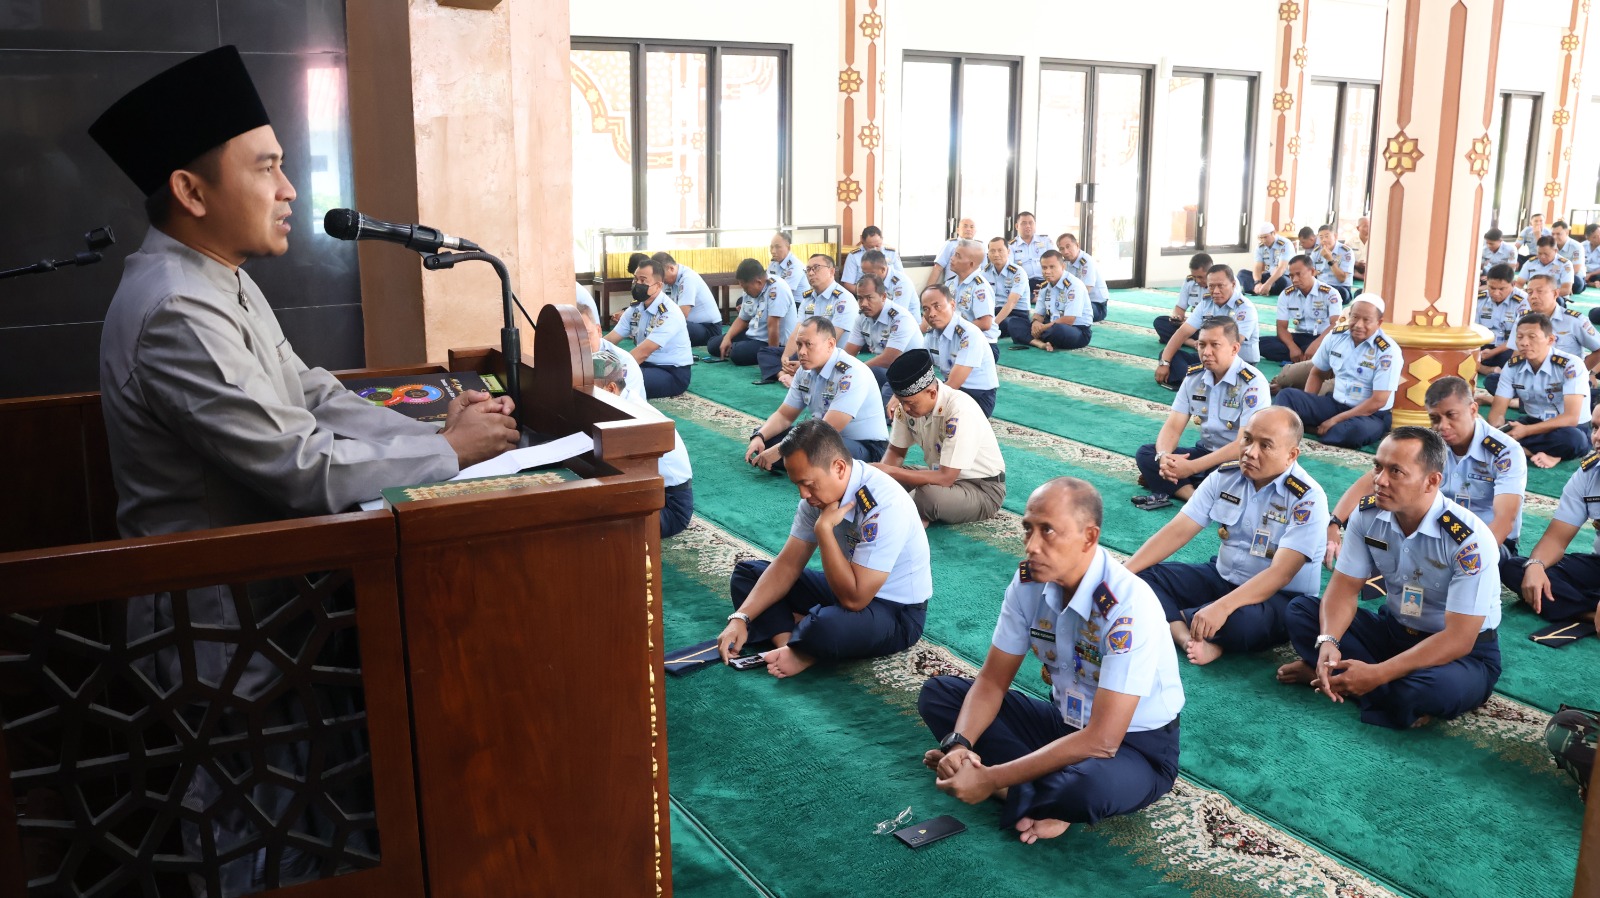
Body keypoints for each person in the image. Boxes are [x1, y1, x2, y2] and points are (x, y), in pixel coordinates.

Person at [90, 46, 520, 895]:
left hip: (272, 610)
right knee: (250, 839)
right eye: (269, 169)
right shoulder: (177, 307)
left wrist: (436, 422)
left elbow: (311, 393)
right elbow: (297, 468)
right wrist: (446, 451)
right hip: (214, 631)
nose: (291, 191)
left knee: (308, 818)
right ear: (190, 191)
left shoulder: (217, 278)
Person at [916, 478, 1183, 844]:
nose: (1031, 546)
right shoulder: (1028, 583)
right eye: (1028, 529)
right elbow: (993, 681)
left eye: (1048, 532)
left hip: (1133, 748)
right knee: (940, 693)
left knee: (1087, 790)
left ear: (1089, 538)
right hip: (1066, 724)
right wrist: (960, 745)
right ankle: (1033, 794)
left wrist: (994, 779)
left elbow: (1104, 740)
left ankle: (1014, 789)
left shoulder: (1127, 606)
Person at [1277, 427, 1502, 730]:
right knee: (1301, 611)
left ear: (1431, 482)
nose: (1380, 480)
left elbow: (1459, 638)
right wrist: (1329, 640)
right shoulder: (1367, 514)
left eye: (1396, 471)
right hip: (1395, 632)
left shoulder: (1468, 540)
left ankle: (1346, 680)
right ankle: (1371, 688)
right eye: (1378, 467)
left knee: (1430, 689)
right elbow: (1343, 588)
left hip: (1459, 654)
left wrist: (1379, 674)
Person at [718, 420, 931, 677]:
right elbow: (787, 564)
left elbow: (854, 600)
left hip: (895, 611)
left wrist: (823, 531)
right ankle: (788, 645)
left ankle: (805, 643)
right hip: (845, 585)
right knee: (748, 574)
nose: (802, 494)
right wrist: (741, 617)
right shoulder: (817, 496)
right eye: (797, 484)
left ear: (839, 468)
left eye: (808, 484)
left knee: (826, 626)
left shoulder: (884, 504)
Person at [1125, 407, 1328, 665]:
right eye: (1247, 439)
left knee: (1243, 624)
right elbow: (1177, 530)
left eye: (1265, 445)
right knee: (1142, 577)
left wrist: (1222, 607)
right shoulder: (1225, 476)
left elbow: (1281, 573)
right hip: (1223, 576)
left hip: (1277, 597)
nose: (1250, 452)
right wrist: (1123, 574)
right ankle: (1184, 634)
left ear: (1291, 455)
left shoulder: (1307, 498)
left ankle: (1175, 619)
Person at [1328, 377, 1525, 565]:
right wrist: (1334, 523)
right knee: (1377, 503)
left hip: (1483, 537)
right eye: (1435, 418)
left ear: (1473, 409)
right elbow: (1375, 479)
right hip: (1434, 527)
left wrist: (1473, 558)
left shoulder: (1504, 452)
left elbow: (1504, 520)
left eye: (1451, 415)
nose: (1442, 426)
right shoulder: (1430, 442)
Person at [1134, 317, 1269, 510]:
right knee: (1147, 454)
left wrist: (1192, 467)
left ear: (1234, 348)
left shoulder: (1253, 383)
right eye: (1201, 345)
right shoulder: (1194, 377)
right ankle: (1195, 496)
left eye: (1215, 345)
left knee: (1248, 478)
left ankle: (1183, 482)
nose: (1206, 352)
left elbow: (1243, 445)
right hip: (1206, 452)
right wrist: (1164, 457)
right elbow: (1173, 426)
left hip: (1239, 460)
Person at [1499, 407, 1600, 642]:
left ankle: (1574, 607)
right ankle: (1590, 612)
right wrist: (1535, 565)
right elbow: (1556, 538)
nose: (1596, 437)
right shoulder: (1588, 474)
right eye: (1595, 428)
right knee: (1516, 569)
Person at [876, 349, 1007, 526]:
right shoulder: (907, 405)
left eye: (909, 403)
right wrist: (880, 479)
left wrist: (889, 472)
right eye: (901, 402)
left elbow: (946, 478)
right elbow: (896, 452)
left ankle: (911, 510)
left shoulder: (959, 410)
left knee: (927, 496)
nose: (905, 409)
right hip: (940, 478)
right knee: (883, 479)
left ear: (931, 393)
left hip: (982, 488)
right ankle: (913, 510)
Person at [747, 317, 890, 472]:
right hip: (823, 437)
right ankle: (799, 462)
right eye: (799, 344)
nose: (801, 352)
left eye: (809, 345)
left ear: (830, 344)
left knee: (821, 452)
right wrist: (760, 436)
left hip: (864, 446)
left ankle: (796, 462)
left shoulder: (851, 373)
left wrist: (780, 450)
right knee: (768, 439)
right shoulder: (804, 370)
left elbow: (828, 428)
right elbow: (784, 415)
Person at [1272, 294, 1400, 449]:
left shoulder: (1387, 351)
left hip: (1369, 415)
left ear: (1379, 323)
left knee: (1353, 432)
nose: (1358, 324)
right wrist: (1308, 404)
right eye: (1355, 317)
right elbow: (1317, 373)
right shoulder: (1336, 336)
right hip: (1335, 403)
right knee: (1287, 396)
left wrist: (1335, 420)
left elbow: (1378, 401)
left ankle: (1316, 428)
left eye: (1366, 320)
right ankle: (1312, 427)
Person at [592, 353, 694, 539]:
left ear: (611, 388)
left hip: (670, 506)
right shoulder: (620, 402)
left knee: (596, 518)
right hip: (654, 492)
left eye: (590, 389)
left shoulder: (634, 417)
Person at [1487, 313, 1592, 467]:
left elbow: (1571, 418)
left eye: (1532, 337)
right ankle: (1536, 452)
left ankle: (1520, 449)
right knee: (1491, 435)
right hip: (1534, 422)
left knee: (1575, 441)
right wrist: (1497, 430)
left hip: (1569, 428)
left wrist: (1526, 431)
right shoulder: (1512, 366)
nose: (1524, 343)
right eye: (1520, 337)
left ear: (1550, 340)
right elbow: (1497, 412)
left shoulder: (1570, 365)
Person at [1154, 264, 1260, 389]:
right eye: (1211, 286)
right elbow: (1182, 332)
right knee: (1168, 354)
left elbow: (1232, 345)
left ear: (1233, 284)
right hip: (1209, 357)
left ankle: (1191, 382)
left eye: (1221, 286)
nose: (1215, 291)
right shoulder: (1206, 303)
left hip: (1236, 361)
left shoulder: (1244, 308)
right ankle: (1195, 382)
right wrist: (1164, 363)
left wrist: (1204, 350)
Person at [604, 258, 694, 398]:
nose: (637, 284)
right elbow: (610, 340)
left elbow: (643, 352)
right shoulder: (635, 308)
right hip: (645, 365)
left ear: (658, 286)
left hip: (671, 373)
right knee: (604, 377)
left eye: (643, 280)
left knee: (619, 381)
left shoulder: (669, 313)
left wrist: (611, 370)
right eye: (635, 279)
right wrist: (590, 357)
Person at [710, 258, 797, 383]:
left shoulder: (777, 289)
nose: (744, 291)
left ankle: (755, 354)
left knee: (737, 354)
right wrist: (727, 337)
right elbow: (742, 319)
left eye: (745, 288)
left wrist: (772, 354)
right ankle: (736, 347)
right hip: (753, 336)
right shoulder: (750, 290)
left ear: (758, 282)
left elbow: (773, 326)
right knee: (714, 345)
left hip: (771, 342)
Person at [921, 284, 1000, 417]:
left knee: (940, 417)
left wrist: (923, 402)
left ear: (952, 305)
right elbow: (920, 369)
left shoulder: (968, 334)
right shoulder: (931, 335)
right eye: (926, 309)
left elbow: (954, 383)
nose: (932, 314)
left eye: (937, 306)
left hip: (978, 395)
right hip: (951, 390)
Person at [842, 273, 922, 398]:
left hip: (914, 373)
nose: (863, 303)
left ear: (883, 296)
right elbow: (848, 354)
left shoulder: (900, 318)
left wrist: (856, 370)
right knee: (851, 382)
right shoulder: (862, 318)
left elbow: (889, 359)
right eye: (860, 298)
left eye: (869, 298)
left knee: (884, 390)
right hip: (890, 370)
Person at [781, 255, 857, 385]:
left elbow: (831, 340)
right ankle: (784, 374)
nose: (811, 273)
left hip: (831, 354)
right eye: (808, 269)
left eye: (816, 268)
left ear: (832, 271)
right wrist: (785, 357)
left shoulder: (843, 299)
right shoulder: (808, 298)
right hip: (807, 348)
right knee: (766, 353)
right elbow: (798, 329)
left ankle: (797, 374)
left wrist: (805, 361)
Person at [1260, 255, 1342, 363]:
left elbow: (1335, 325)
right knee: (1259, 343)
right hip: (1299, 338)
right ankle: (1308, 357)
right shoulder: (1286, 295)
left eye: (1299, 274)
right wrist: (1292, 347)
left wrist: (1315, 345)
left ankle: (1306, 356)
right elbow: (1281, 328)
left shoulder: (1330, 293)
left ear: (1312, 272)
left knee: (1337, 347)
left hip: (1323, 338)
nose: (1295, 279)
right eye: (1291, 276)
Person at [1024, 249, 1093, 351]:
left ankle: (1033, 338)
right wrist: (1035, 323)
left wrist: (1042, 328)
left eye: (1052, 267)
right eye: (1044, 268)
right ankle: (1041, 343)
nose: (1047, 271)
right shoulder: (1044, 287)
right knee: (1016, 323)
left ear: (1063, 266)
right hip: (1050, 324)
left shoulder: (1074, 286)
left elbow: (1068, 320)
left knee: (1058, 330)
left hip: (1076, 330)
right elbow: (1038, 314)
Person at [1475, 264, 1531, 387]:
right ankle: (1486, 369)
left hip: (1508, 347)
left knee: (1522, 360)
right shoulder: (1479, 298)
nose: (1496, 293)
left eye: (1501, 289)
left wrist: (1493, 352)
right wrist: (1478, 350)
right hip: (1483, 345)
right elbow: (1473, 329)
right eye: (1492, 288)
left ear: (1513, 284)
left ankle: (1480, 367)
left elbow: (1519, 336)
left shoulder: (1523, 301)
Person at [945, 238, 1000, 360]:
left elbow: (985, 323)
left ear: (971, 264)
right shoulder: (950, 284)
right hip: (959, 338)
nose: (952, 258)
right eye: (954, 254)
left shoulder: (980, 287)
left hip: (983, 343)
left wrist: (952, 328)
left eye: (958, 256)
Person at [654, 251, 723, 346]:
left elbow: (682, 314)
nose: (661, 280)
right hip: (692, 325)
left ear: (671, 268)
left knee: (669, 325)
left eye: (662, 277)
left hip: (708, 329)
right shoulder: (668, 281)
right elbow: (660, 306)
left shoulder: (688, 279)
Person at [1153, 253, 1212, 346]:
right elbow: (1180, 307)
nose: (1197, 280)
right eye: (1194, 277)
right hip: (1192, 327)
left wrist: (1194, 322)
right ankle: (1192, 343)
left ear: (1210, 273)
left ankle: (1178, 339)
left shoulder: (1219, 285)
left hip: (1211, 327)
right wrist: (1178, 318)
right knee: (1160, 322)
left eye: (1200, 277)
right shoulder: (1189, 282)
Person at [982, 237, 1031, 347]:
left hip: (1016, 313)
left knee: (1007, 324)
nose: (996, 254)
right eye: (992, 251)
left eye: (1000, 250)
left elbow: (1011, 303)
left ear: (1008, 252)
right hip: (994, 311)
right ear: (988, 253)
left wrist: (993, 325)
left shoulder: (1018, 273)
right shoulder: (985, 272)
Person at [1056, 233, 1109, 321]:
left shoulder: (1086, 262)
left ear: (1077, 245)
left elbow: (1086, 290)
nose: (1065, 251)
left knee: (1068, 313)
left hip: (1096, 305)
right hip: (1074, 300)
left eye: (1068, 246)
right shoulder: (1066, 262)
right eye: (1062, 249)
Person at [860, 248, 921, 322]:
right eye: (864, 273)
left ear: (883, 269)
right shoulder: (872, 281)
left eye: (870, 274)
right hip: (882, 322)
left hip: (905, 324)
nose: (867, 277)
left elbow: (897, 313)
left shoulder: (901, 283)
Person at [841, 226, 904, 294]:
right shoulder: (854, 256)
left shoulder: (892, 254)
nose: (875, 249)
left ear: (882, 239)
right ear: (862, 241)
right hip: (864, 294)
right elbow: (848, 284)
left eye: (878, 246)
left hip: (890, 293)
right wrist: (865, 293)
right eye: (870, 247)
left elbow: (901, 277)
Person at [1240, 221, 1293, 296]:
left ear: (1273, 233)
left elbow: (1282, 268)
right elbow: (1257, 267)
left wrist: (1268, 283)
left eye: (1265, 237)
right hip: (1268, 276)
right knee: (1242, 274)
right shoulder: (1260, 247)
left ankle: (1260, 289)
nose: (1263, 240)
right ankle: (1260, 288)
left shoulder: (1285, 244)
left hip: (1282, 276)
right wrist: (1257, 282)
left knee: (1284, 282)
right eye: (1260, 238)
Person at [1516, 236, 1575, 301]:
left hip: (1554, 296)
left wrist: (1543, 294)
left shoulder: (1565, 264)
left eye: (1546, 254)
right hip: (1532, 296)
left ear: (1555, 251)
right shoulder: (1530, 263)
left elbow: (1566, 289)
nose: (1542, 257)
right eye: (1539, 253)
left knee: (1558, 301)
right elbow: (1519, 283)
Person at [1008, 211, 1053, 289]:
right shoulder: (1011, 246)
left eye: (1031, 223)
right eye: (1024, 223)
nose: (1028, 226)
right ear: (1016, 226)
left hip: (1046, 282)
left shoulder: (1045, 241)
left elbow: (1054, 263)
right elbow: (1010, 268)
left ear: (1035, 225)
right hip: (1023, 284)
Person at [928, 217, 977, 287]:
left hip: (973, 287)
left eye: (972, 227)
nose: (968, 229)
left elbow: (984, 271)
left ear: (975, 231)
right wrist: (928, 290)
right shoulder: (950, 244)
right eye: (965, 226)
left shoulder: (980, 247)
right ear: (958, 230)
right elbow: (938, 268)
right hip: (952, 286)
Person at [1312, 225, 1354, 300]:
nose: (1324, 240)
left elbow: (1342, 278)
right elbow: (1310, 271)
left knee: (1341, 293)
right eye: (1321, 237)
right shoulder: (1316, 251)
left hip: (1340, 287)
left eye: (1327, 236)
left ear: (1335, 236)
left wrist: (1330, 259)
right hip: (1321, 286)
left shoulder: (1346, 252)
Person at [1553, 220, 1587, 292]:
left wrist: (1566, 282)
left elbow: (1576, 268)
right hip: (1557, 275)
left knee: (1578, 284)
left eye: (1558, 234)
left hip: (1573, 276)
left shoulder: (1576, 246)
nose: (1555, 237)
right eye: (1553, 234)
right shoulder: (1551, 245)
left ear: (1567, 232)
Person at [769, 231, 806, 297]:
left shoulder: (795, 266)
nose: (773, 251)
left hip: (796, 304)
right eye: (771, 247)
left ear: (788, 248)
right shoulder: (773, 263)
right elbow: (766, 284)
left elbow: (784, 292)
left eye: (778, 247)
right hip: (777, 299)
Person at [1350, 217, 1371, 281]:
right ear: (1358, 228)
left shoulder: (1376, 242)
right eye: (1365, 226)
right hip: (1354, 276)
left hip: (1370, 276)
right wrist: (1356, 264)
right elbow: (1343, 260)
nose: (1368, 229)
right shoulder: (1350, 243)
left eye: (1369, 226)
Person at [1584, 224, 1600, 302]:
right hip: (1584, 273)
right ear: (1588, 238)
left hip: (1597, 273)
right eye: (1594, 237)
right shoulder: (1582, 246)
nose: (1599, 238)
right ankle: (1592, 284)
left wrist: (1590, 274)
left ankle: (1590, 283)